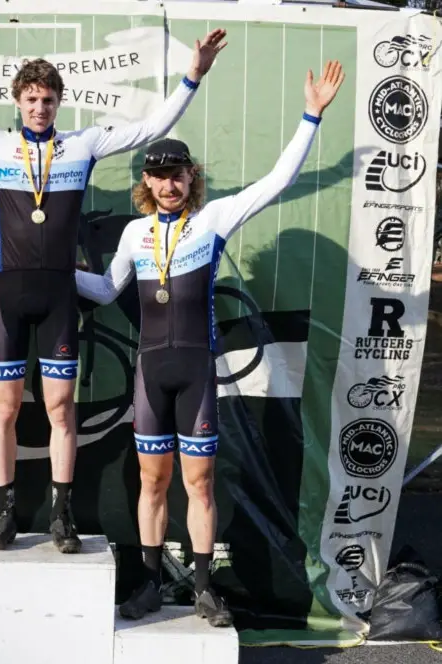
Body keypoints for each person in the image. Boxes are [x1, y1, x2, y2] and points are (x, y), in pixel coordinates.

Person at [0, 10, 228, 553]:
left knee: (60, 410)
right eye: (31, 100)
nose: (39, 108)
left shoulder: (82, 144)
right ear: (18, 102)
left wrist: (193, 76)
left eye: (48, 101)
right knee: (4, 410)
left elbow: (150, 128)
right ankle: (6, 513)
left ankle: (62, 515)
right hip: (8, 293)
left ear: (59, 103)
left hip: (59, 293)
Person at [75, 61, 345, 625]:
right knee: (153, 481)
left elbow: (278, 182)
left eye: (178, 175)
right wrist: (51, 270)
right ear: (146, 182)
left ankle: (202, 588)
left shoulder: (214, 218)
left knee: (198, 483)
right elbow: (104, 290)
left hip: (196, 373)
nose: (169, 184)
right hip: (152, 374)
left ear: (190, 178)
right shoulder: (133, 233)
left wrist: (311, 116)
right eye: (159, 175)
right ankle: (148, 584)